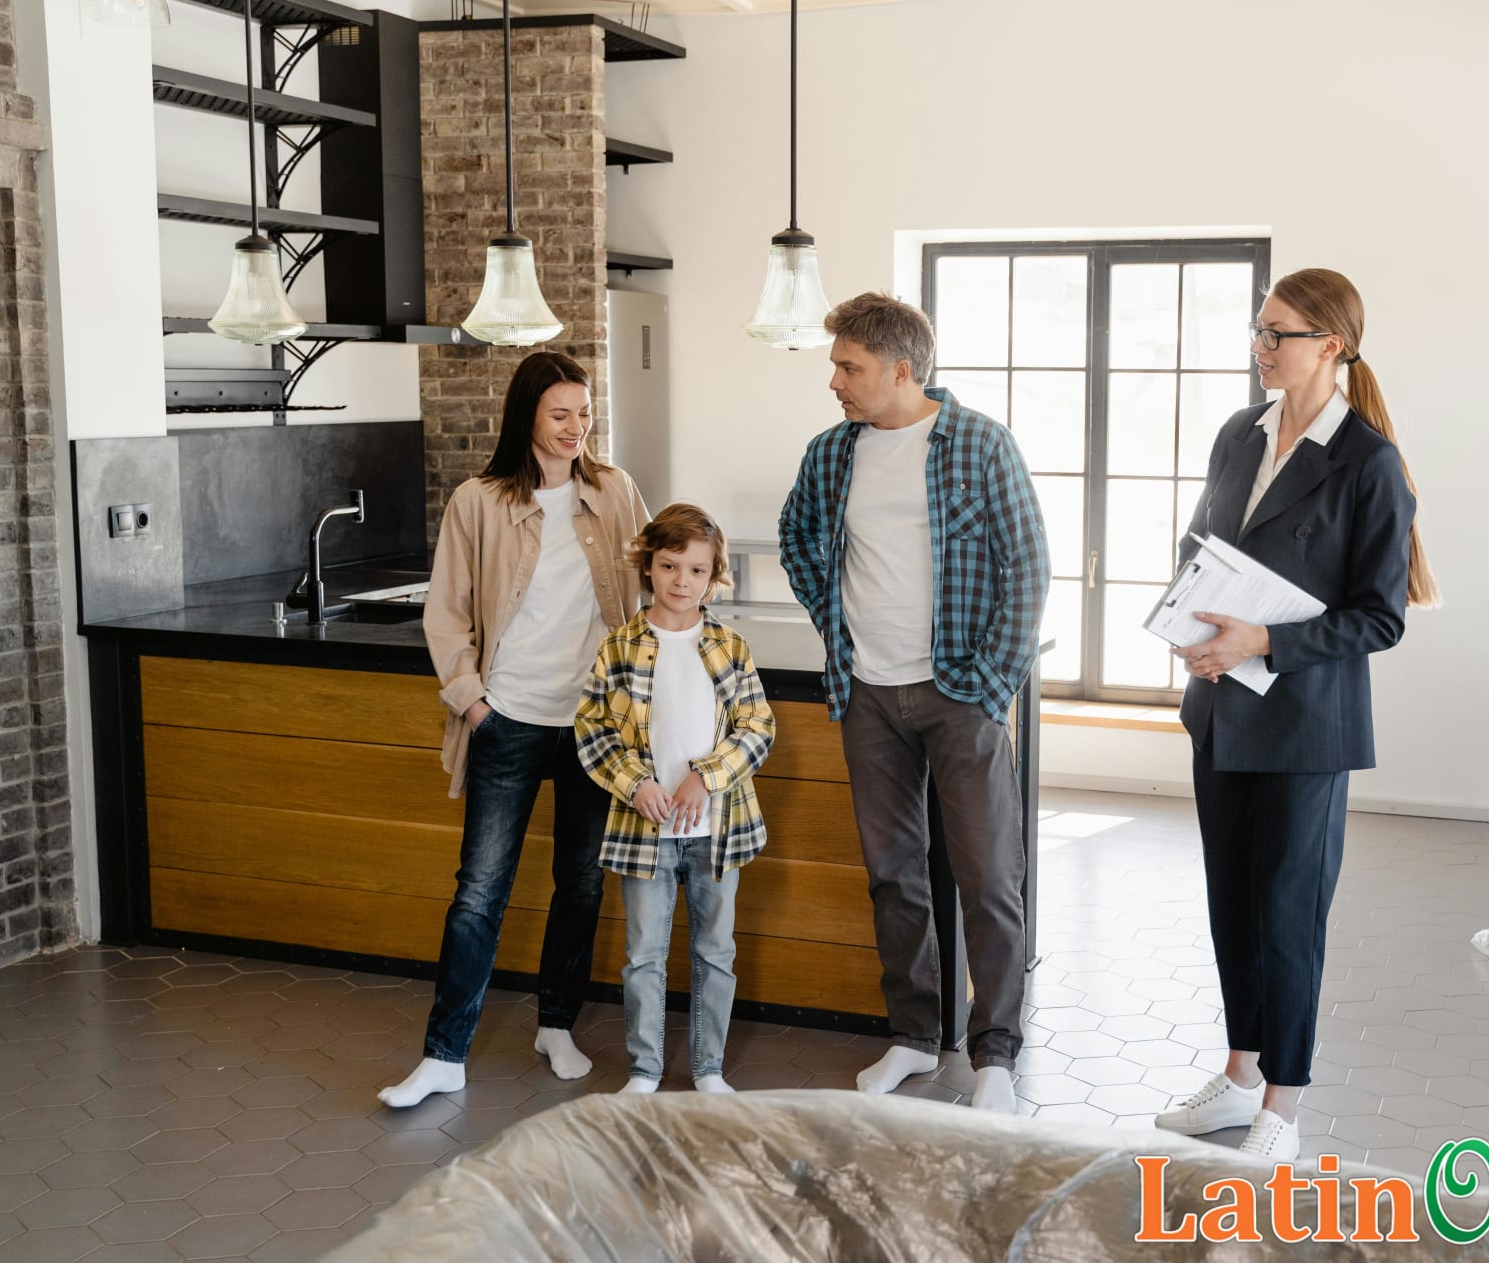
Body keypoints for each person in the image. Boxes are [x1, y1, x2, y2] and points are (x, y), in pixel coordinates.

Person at [1153, 268, 1439, 1158]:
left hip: (1305, 725)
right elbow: (1201, 544)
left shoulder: (1369, 463)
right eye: (1258, 330)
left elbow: (1380, 618)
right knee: (1231, 901)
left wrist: (1263, 642)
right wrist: (1189, 616)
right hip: (1220, 708)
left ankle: (1284, 1100)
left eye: (1278, 334)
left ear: (1332, 345)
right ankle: (1240, 1076)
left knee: (1287, 913)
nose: (1260, 347)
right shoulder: (1239, 433)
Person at [778, 292, 1050, 1114]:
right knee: (893, 876)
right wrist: (838, 625)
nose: (834, 381)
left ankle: (995, 1052)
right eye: (835, 365)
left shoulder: (979, 443)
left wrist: (990, 683)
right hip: (867, 694)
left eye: (848, 366)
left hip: (959, 694)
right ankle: (912, 1034)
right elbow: (798, 539)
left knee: (988, 876)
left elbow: (1028, 568)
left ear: (901, 370)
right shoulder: (831, 453)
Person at [379, 352, 651, 1109]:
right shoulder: (479, 501)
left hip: (594, 725)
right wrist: (473, 702)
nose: (575, 427)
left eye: (584, 412)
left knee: (581, 884)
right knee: (479, 891)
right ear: (526, 414)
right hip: (508, 717)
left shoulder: (615, 491)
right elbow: (446, 612)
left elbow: (654, 583)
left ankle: (555, 1025)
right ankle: (444, 1056)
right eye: (559, 413)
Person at [575, 503, 775, 1095]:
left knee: (715, 953)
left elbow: (758, 727)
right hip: (645, 833)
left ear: (713, 576)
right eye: (669, 566)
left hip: (717, 830)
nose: (681, 581)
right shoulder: (619, 647)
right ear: (648, 566)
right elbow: (592, 728)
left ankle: (709, 1069)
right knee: (643, 955)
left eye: (696, 570)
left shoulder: (731, 647)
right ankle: (644, 1070)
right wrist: (635, 784)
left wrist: (704, 777)